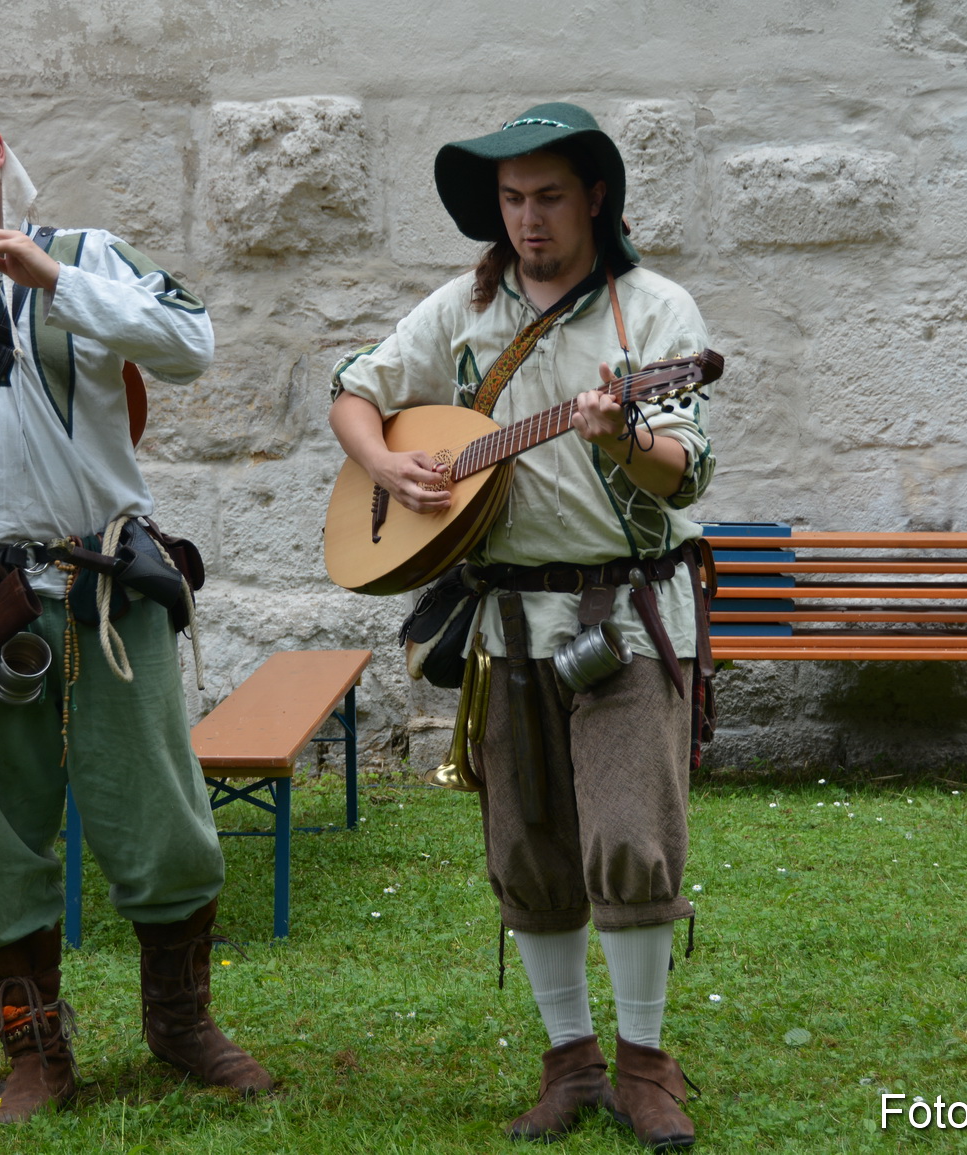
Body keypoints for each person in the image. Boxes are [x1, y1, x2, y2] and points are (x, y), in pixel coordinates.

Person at [0, 79, 270, 1122]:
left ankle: (180, 1023)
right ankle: (34, 1051)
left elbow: (190, 345)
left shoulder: (90, 254)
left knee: (161, 815)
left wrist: (54, 279)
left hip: (109, 589)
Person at [328, 103, 716, 1150]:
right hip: (505, 623)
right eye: (512, 199)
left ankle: (644, 1064)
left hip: (625, 617)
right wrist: (383, 463)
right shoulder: (464, 307)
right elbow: (352, 388)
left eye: (549, 196)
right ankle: (569, 1063)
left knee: (630, 840)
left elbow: (686, 471)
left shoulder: (654, 314)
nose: (530, 218)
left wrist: (623, 437)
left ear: (595, 196)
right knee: (529, 847)